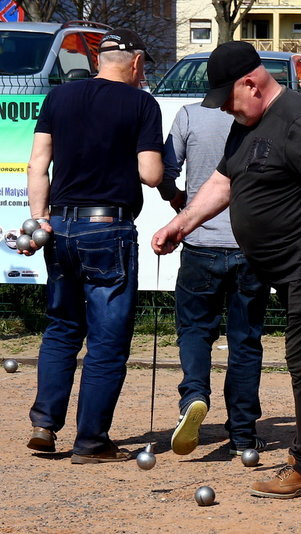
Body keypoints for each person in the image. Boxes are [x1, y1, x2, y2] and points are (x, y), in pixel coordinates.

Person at [151, 41, 301, 498]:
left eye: (228, 99)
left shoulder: (298, 118)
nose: (226, 110)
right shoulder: (246, 124)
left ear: (251, 83)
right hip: (284, 268)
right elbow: (223, 181)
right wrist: (180, 224)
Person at [24, 28, 163, 463]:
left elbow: (37, 165)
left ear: (99, 58)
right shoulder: (142, 103)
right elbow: (152, 174)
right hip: (109, 229)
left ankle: (45, 425)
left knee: (62, 327)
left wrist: (40, 219)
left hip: (60, 226)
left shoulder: (59, 98)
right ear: (136, 62)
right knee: (106, 338)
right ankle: (91, 441)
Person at [159, 102, 270, 457]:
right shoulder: (262, 117)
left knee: (194, 331)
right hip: (249, 244)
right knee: (246, 341)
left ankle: (193, 394)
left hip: (200, 243)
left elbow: (163, 170)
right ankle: (242, 434)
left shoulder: (189, 116)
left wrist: (179, 202)